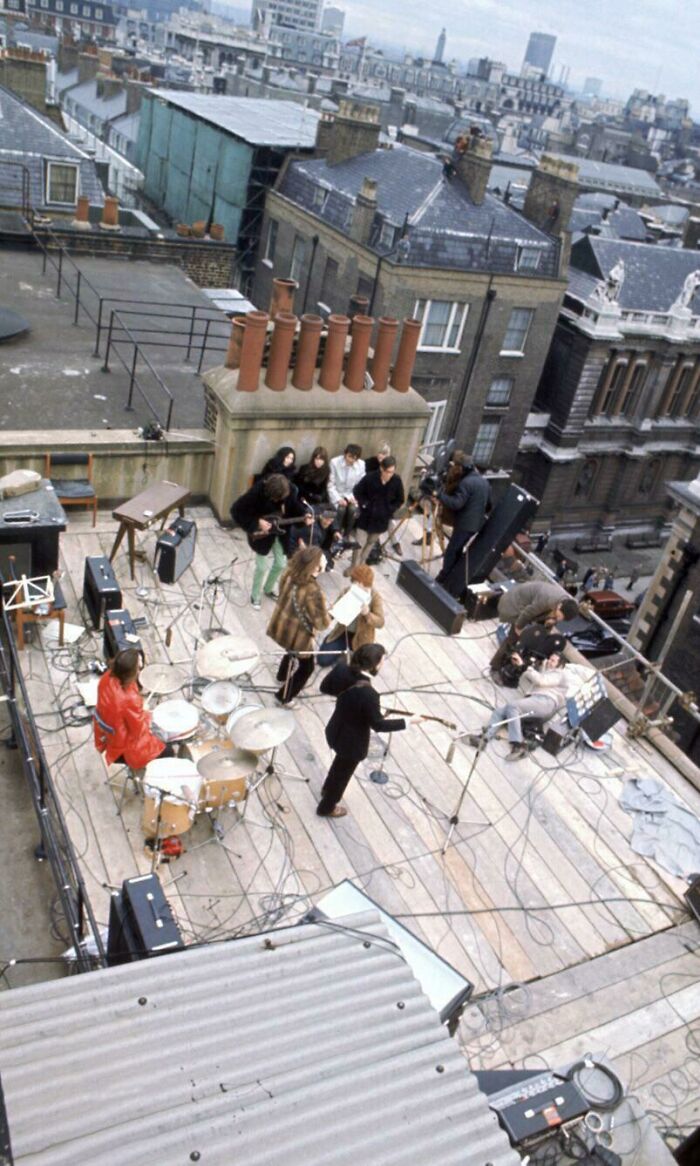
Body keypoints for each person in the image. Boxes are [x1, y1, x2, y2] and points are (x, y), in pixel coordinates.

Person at [317, 643, 423, 818]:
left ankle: (327, 789)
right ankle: (327, 806)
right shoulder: (370, 694)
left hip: (336, 728)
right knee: (342, 777)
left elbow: (325, 688)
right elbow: (378, 725)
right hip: (352, 743)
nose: (382, 665)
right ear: (374, 665)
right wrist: (409, 721)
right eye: (382, 662)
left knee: (338, 766)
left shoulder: (342, 669)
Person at [469, 652, 568, 761]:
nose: (549, 661)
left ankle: (518, 745)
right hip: (535, 700)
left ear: (560, 665)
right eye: (550, 658)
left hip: (546, 702)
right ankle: (484, 739)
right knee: (501, 711)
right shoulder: (546, 670)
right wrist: (522, 665)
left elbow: (541, 681)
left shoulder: (559, 674)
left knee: (513, 706)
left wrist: (526, 667)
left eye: (553, 661)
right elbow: (529, 678)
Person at [231, 473, 308, 609]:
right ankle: (255, 595)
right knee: (261, 567)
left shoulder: (291, 491)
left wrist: (304, 517)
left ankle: (268, 589)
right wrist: (257, 522)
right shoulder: (257, 492)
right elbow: (236, 510)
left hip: (281, 532)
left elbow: (295, 509)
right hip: (262, 535)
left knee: (281, 563)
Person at [267, 546, 331, 706]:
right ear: (316, 567)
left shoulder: (289, 571)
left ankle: (281, 676)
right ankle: (284, 697)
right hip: (298, 635)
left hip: (282, 624)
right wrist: (330, 613)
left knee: (290, 652)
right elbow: (322, 624)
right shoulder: (314, 591)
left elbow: (282, 592)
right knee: (306, 668)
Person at [94, 648, 170, 770]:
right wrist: (145, 713)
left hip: (106, 737)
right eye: (139, 668)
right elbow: (138, 730)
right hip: (123, 747)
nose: (141, 669)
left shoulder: (106, 677)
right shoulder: (129, 699)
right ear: (131, 672)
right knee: (168, 750)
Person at [491, 580, 578, 673]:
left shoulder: (567, 602)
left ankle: (520, 663)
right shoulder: (548, 599)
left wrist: (552, 619)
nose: (559, 619)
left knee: (540, 633)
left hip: (531, 606)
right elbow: (527, 613)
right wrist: (519, 628)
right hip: (513, 605)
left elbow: (549, 614)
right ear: (560, 606)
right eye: (559, 616)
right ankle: (495, 667)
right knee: (514, 638)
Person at [434, 454, 491, 588]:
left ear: (462, 468)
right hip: (475, 525)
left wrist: (439, 495)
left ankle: (444, 577)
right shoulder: (485, 482)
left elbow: (456, 504)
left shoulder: (466, 483)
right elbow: (488, 506)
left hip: (464, 524)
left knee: (451, 551)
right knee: (457, 550)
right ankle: (452, 576)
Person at [318, 564, 385, 665]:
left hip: (362, 638)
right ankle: (332, 643)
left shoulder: (375, 597)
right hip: (343, 632)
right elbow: (332, 613)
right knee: (322, 660)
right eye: (354, 582)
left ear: (365, 583)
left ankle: (348, 653)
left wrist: (367, 614)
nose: (355, 585)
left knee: (358, 666)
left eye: (358, 583)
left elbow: (380, 622)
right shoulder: (348, 591)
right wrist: (331, 611)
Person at [350, 456, 404, 568]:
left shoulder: (396, 481)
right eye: (388, 472)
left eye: (392, 472)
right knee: (359, 543)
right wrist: (364, 504)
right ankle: (354, 566)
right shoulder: (370, 478)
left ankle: (361, 565)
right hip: (366, 517)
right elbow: (357, 491)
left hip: (381, 520)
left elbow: (400, 499)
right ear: (381, 469)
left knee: (370, 543)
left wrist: (390, 509)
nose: (390, 475)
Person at [328, 444, 365, 534]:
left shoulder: (361, 464)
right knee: (341, 509)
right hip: (337, 493)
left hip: (351, 494)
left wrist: (355, 497)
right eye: (350, 457)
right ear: (345, 454)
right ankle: (337, 532)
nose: (351, 460)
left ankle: (347, 533)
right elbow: (330, 484)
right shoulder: (334, 462)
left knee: (353, 510)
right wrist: (338, 499)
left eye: (355, 458)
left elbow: (361, 484)